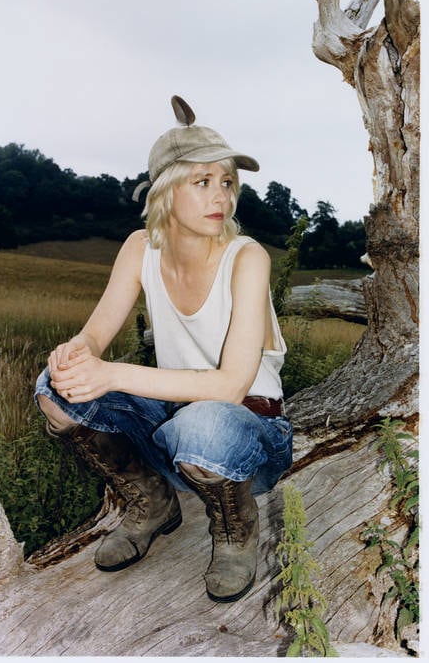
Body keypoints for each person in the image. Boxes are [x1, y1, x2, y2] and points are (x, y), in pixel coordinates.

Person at [35, 95, 293, 603]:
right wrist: (75, 353)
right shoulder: (140, 248)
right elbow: (94, 336)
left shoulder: (248, 258)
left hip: (248, 439)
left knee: (205, 422)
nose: (221, 196)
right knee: (54, 391)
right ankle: (151, 501)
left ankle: (236, 527)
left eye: (226, 182)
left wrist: (111, 374)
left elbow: (230, 386)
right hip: (171, 433)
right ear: (165, 191)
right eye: (202, 182)